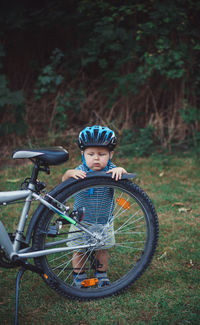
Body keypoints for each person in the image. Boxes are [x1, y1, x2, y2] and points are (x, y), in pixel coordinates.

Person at [62, 125, 127, 287]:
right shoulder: (81, 170)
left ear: (111, 154)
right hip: (81, 221)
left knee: (102, 250)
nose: (96, 158)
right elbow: (63, 184)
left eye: (102, 154)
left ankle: (101, 274)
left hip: (104, 221)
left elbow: (125, 179)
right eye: (91, 154)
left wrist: (121, 170)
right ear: (83, 154)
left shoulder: (112, 171)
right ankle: (79, 276)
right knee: (79, 250)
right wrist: (69, 174)